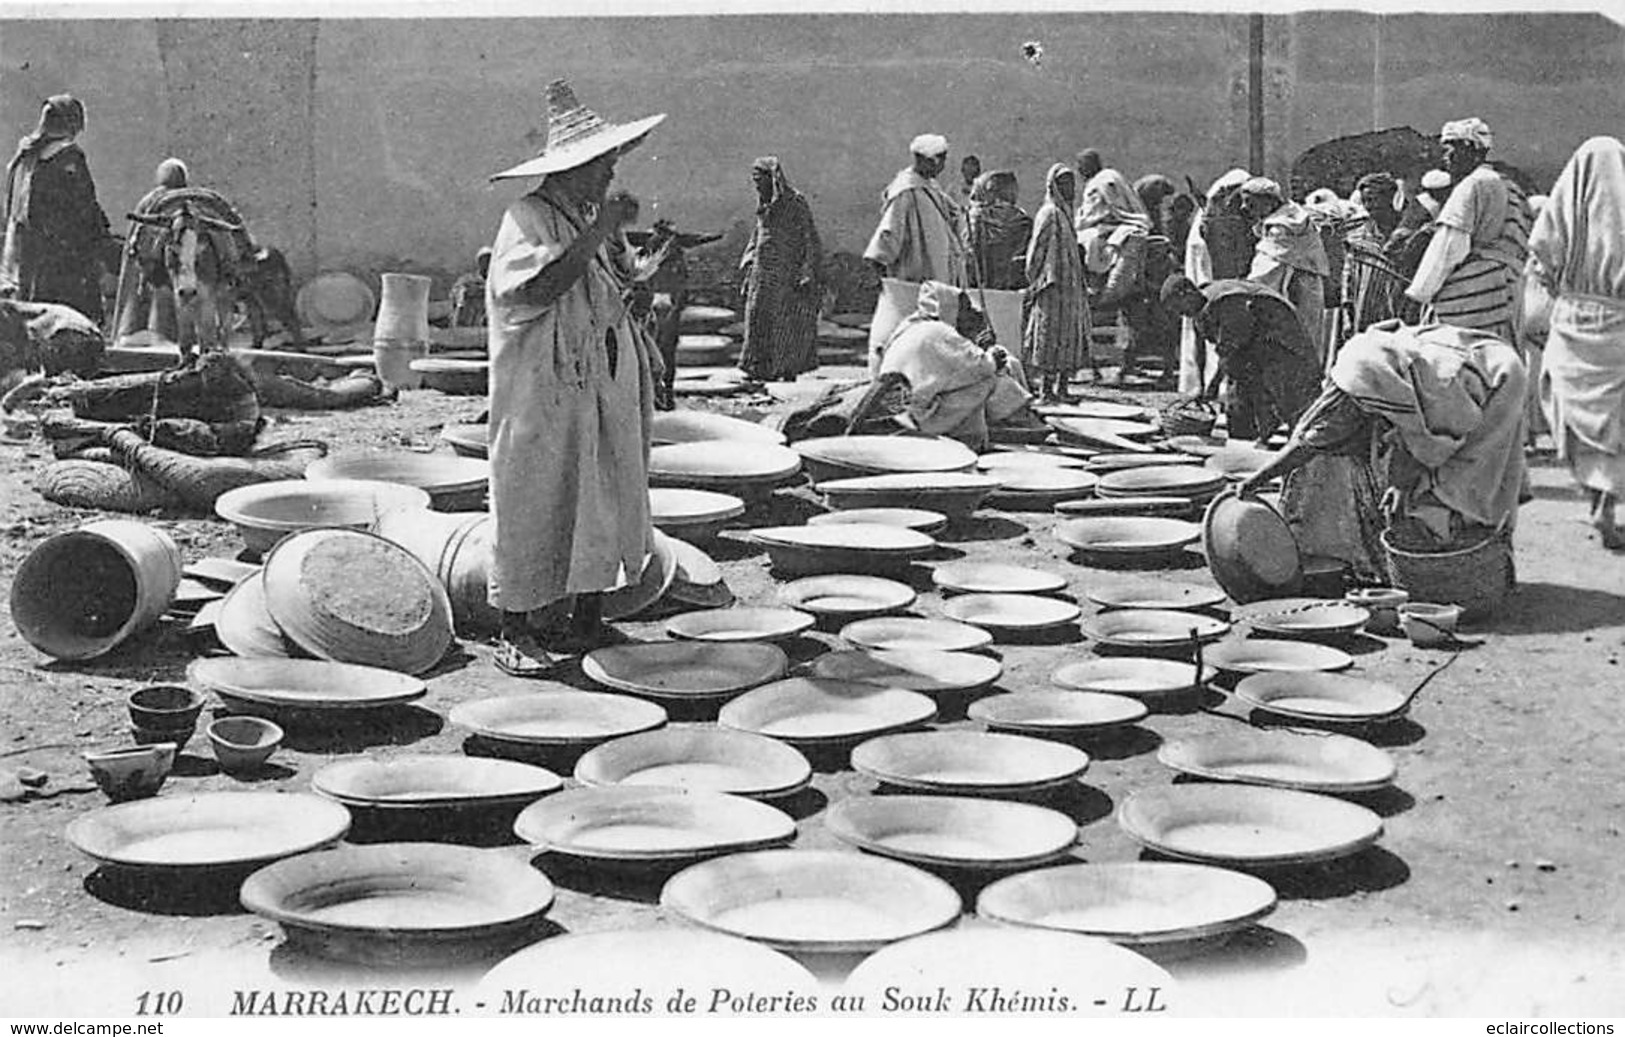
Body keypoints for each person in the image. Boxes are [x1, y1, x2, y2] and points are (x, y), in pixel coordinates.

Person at [483, 80, 665, 675]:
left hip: (595, 378)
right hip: (541, 383)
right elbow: (535, 289)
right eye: (604, 166)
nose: (611, 176)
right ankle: (516, 626)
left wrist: (638, 270)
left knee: (601, 491)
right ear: (574, 168)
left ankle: (585, 616)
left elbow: (607, 281)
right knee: (534, 494)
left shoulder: (589, 216)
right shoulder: (528, 216)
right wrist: (599, 230)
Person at [1237, 320, 1528, 577]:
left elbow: (1434, 438)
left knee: (1466, 486)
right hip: (1454, 366)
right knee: (1421, 485)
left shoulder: (1427, 387)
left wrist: (1402, 485)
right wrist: (1257, 480)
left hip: (1495, 375)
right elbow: (1310, 440)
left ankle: (1465, 569)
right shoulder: (1364, 375)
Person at [1526, 136, 1625, 548]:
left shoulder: (1562, 207)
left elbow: (1542, 258)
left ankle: (1594, 500)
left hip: (1570, 319)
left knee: (1576, 417)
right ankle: (1611, 501)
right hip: (1619, 320)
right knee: (1616, 420)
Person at [862, 279, 1030, 450]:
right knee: (988, 380)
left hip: (895, 409)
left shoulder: (912, 326)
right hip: (917, 417)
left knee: (974, 378)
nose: (971, 313)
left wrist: (980, 346)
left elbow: (958, 365)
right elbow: (982, 367)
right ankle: (970, 438)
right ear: (950, 309)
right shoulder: (940, 331)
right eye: (965, 309)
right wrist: (992, 355)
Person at [1405, 118, 1531, 342]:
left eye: (1449, 149)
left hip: (1476, 291)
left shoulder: (1473, 185)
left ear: (1469, 149)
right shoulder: (1510, 186)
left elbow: (1450, 247)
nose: (1445, 158)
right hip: (1511, 290)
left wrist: (1418, 295)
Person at [1161, 275, 1323, 446]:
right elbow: (1199, 349)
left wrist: (1213, 387)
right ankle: (1244, 443)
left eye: (1179, 308)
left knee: (1287, 399)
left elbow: (1231, 349)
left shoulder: (1226, 301)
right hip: (1254, 346)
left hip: (1282, 343)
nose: (1181, 314)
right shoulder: (1198, 310)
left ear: (1187, 293)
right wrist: (1199, 387)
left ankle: (1293, 447)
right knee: (1237, 400)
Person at [1, 95, 111, 325]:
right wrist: (101, 233)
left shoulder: (23, 156)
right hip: (65, 254)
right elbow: (85, 204)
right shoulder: (68, 155)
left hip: (25, 253)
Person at [739, 156, 824, 382]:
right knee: (758, 316)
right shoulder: (763, 203)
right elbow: (757, 235)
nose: (756, 184)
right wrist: (748, 262)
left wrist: (807, 270)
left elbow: (809, 237)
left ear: (772, 178)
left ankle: (785, 369)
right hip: (762, 271)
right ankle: (757, 368)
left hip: (787, 272)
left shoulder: (795, 202)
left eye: (760, 179)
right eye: (754, 180)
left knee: (784, 321)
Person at [1238, 176, 1330, 363]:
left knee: (1297, 341)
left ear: (1268, 201)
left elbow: (1265, 270)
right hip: (1302, 282)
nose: (1244, 208)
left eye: (1250, 202)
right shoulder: (1292, 213)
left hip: (1298, 288)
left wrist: (1243, 289)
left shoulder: (1282, 228)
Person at [1178, 168, 1253, 393]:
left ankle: (1218, 386)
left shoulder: (1236, 218)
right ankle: (1206, 386)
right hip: (1210, 282)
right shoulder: (1209, 222)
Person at [1077, 168, 1155, 383]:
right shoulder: (1089, 234)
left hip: (1126, 277)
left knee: (1132, 317)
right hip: (1111, 267)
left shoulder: (1134, 233)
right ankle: (1089, 364)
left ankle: (1127, 366)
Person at [1023, 163, 1093, 400]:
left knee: (1070, 336)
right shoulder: (1049, 213)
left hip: (1071, 287)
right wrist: (1037, 278)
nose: (1070, 188)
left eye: (1072, 183)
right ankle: (1046, 388)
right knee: (1050, 336)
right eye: (1064, 184)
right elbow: (1037, 250)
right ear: (1054, 186)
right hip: (1053, 287)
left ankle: (1063, 388)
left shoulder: (1066, 214)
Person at [863, 133, 965, 287]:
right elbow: (890, 229)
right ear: (932, 160)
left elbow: (952, 213)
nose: (943, 166)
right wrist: (878, 261)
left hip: (935, 264)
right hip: (917, 265)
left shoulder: (930, 186)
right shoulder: (906, 190)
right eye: (942, 159)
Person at [112, 157, 191, 341]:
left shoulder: (147, 201)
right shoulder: (183, 201)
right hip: (165, 273)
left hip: (147, 271)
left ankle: (129, 332)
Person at [964, 170, 1031, 291]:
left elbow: (968, 256)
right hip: (1014, 291)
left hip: (980, 291)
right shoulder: (1023, 221)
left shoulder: (975, 218)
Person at [450, 247, 492, 328]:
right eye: (484, 260)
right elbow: (456, 291)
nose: (487, 263)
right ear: (479, 262)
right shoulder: (468, 279)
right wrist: (464, 293)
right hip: (470, 312)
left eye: (489, 260)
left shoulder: (497, 280)